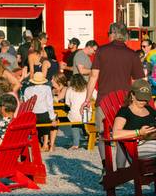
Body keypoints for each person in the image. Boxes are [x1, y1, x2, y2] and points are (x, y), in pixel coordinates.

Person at [85, 22, 144, 161]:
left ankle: (107, 169)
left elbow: (93, 76)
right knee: (122, 136)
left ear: (112, 33)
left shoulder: (101, 51)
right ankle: (120, 172)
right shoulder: (133, 55)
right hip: (125, 103)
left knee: (103, 135)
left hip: (104, 101)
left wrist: (87, 99)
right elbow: (138, 83)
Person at [112, 79, 156, 159]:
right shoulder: (125, 111)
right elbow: (115, 134)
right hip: (137, 147)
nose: (143, 101)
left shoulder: (150, 110)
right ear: (132, 95)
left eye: (145, 98)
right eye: (140, 98)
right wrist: (139, 132)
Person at [24, 72, 57, 151]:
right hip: (44, 114)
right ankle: (45, 144)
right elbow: (49, 104)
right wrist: (53, 118)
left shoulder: (27, 89)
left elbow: (26, 103)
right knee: (46, 126)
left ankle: (38, 143)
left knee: (36, 128)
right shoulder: (47, 88)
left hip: (33, 114)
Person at [64, 74, 88, 149]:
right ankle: (86, 135)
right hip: (86, 115)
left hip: (74, 115)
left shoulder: (70, 89)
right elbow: (96, 96)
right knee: (84, 120)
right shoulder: (87, 88)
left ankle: (76, 144)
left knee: (75, 124)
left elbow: (67, 103)